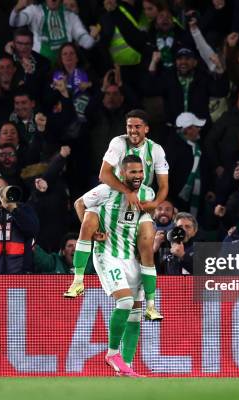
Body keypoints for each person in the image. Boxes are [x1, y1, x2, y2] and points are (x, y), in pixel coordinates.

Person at [64, 109, 168, 322]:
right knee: (89, 220)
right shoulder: (119, 143)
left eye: (137, 126)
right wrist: (127, 191)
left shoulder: (155, 150)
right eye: (129, 126)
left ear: (146, 129)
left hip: (141, 200)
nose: (133, 130)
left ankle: (151, 304)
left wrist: (154, 204)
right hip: (116, 192)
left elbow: (164, 186)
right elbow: (104, 174)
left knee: (148, 243)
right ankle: (78, 280)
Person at [73, 155, 151, 377]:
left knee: (136, 315)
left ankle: (125, 367)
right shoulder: (105, 190)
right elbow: (80, 203)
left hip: (131, 258)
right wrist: (90, 232)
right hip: (107, 253)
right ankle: (112, 353)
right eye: (132, 172)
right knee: (125, 302)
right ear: (122, 173)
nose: (137, 176)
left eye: (140, 172)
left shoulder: (148, 193)